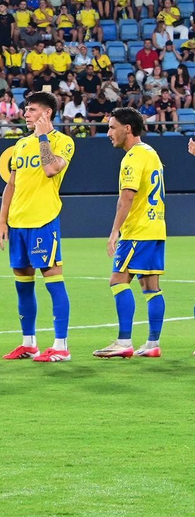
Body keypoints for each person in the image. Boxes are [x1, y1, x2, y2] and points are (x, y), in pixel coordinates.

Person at [0, 90, 74, 362]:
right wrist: (2, 221)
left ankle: (61, 345)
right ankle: (29, 343)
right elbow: (12, 184)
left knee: (53, 281)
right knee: (23, 285)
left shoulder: (63, 141)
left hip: (43, 220)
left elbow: (51, 169)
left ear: (47, 113)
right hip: (18, 223)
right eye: (25, 110)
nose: (25, 114)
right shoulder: (20, 144)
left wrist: (42, 137)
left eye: (31, 110)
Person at [93, 109, 166, 359]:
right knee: (150, 285)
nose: (109, 133)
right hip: (156, 227)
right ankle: (153, 343)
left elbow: (127, 196)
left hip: (138, 230)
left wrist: (115, 232)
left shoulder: (133, 157)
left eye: (113, 128)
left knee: (118, 281)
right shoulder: (151, 152)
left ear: (128, 128)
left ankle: (124, 341)